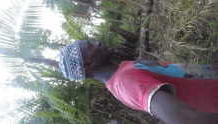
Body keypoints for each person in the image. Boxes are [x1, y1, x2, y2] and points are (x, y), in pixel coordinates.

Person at [59, 40, 218, 124]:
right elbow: (186, 119)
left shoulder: (123, 70)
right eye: (91, 45)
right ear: (89, 65)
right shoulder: (125, 83)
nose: (97, 42)